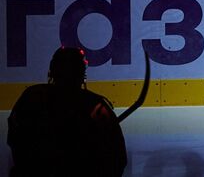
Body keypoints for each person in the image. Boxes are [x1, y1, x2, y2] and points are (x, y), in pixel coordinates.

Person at [7, 46, 127, 175]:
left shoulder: (31, 97)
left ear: (52, 71)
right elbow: (117, 158)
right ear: (82, 73)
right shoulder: (96, 107)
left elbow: (15, 140)